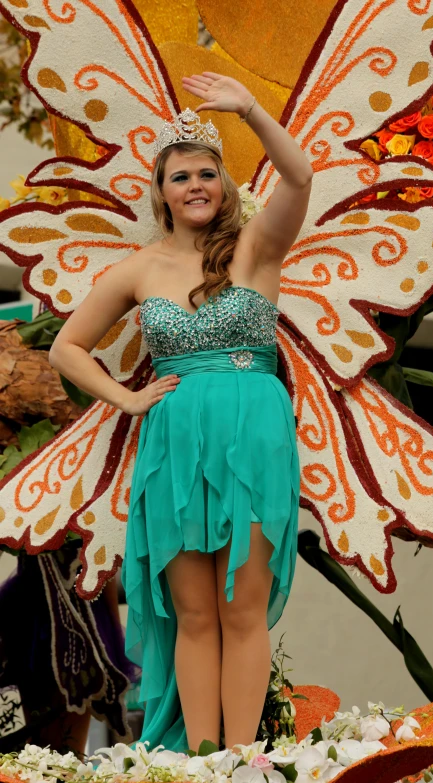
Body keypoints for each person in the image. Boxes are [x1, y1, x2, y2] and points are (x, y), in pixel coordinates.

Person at [48, 71, 313, 753]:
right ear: (161, 193)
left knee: (240, 605)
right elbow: (67, 348)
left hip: (252, 433)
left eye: (206, 173)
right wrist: (128, 397)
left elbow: (301, 174)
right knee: (195, 612)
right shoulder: (141, 268)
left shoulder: (256, 248)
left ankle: (244, 758)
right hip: (173, 443)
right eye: (180, 176)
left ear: (222, 187)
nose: (195, 184)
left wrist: (251, 110)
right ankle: (201, 761)